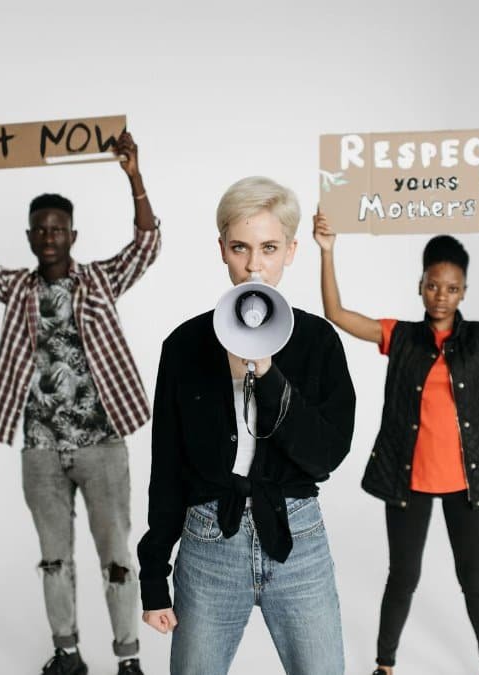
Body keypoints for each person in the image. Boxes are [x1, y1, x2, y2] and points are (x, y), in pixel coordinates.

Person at [0, 131, 158, 675]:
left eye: (58, 229)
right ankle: (68, 654)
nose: (49, 237)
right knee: (54, 559)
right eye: (41, 229)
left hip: (102, 443)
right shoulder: (17, 289)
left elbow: (146, 245)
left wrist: (133, 176)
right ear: (30, 236)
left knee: (117, 557)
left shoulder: (99, 280)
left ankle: (128, 659)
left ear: (72, 235)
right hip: (40, 448)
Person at [314, 206, 479, 675]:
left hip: (470, 482)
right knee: (403, 576)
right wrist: (328, 251)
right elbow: (336, 314)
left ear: (464, 291)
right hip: (408, 480)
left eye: (452, 288)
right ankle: (384, 665)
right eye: (432, 285)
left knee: (474, 578)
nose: (441, 296)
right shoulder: (399, 336)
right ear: (420, 285)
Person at [137, 177, 355, 675]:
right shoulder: (184, 346)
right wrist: (153, 577)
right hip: (208, 543)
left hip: (298, 538)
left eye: (269, 248)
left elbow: (325, 456)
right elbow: (166, 468)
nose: (254, 265)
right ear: (222, 249)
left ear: (291, 251)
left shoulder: (318, 341)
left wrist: (269, 373)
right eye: (240, 248)